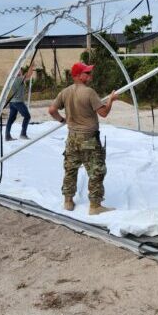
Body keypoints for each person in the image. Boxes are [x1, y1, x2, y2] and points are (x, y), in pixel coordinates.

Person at [48, 62, 118, 215]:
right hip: (89, 139)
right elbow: (104, 113)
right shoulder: (89, 92)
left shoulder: (65, 92)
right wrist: (111, 100)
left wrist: (62, 120)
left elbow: (52, 110)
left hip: (72, 138)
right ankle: (95, 206)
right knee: (97, 171)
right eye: (86, 73)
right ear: (78, 76)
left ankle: (68, 201)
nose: (90, 76)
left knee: (70, 169)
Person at [5, 65, 34, 141]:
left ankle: (7, 136)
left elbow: (26, 76)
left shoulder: (11, 79)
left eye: (20, 70)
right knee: (27, 116)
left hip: (12, 102)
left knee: (11, 119)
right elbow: (29, 75)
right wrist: (32, 67)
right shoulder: (19, 79)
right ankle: (23, 134)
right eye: (19, 70)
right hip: (18, 102)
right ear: (16, 72)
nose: (21, 71)